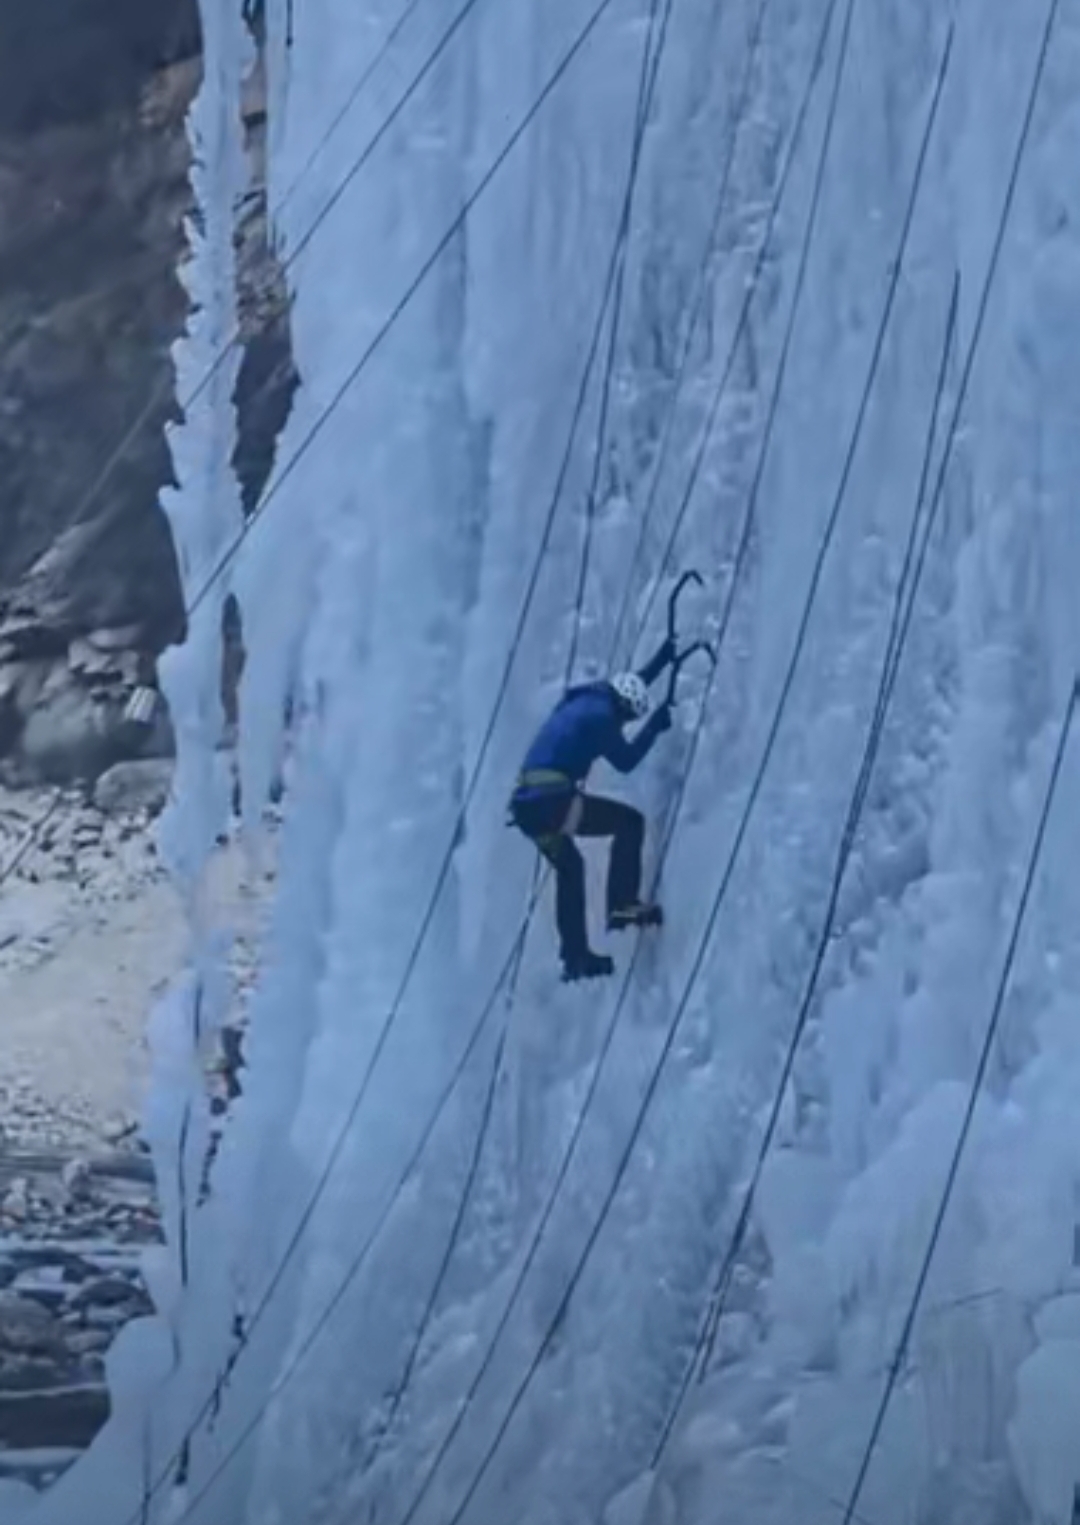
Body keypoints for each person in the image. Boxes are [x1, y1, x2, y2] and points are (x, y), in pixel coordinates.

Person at [508, 637, 677, 981]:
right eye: (629, 718)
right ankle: (622, 906)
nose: (625, 724)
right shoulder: (603, 718)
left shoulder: (591, 696)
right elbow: (627, 760)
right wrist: (655, 726)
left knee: (570, 867)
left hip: (529, 807)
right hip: (552, 802)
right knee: (629, 823)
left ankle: (576, 957)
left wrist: (662, 658)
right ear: (624, 710)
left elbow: (633, 684)